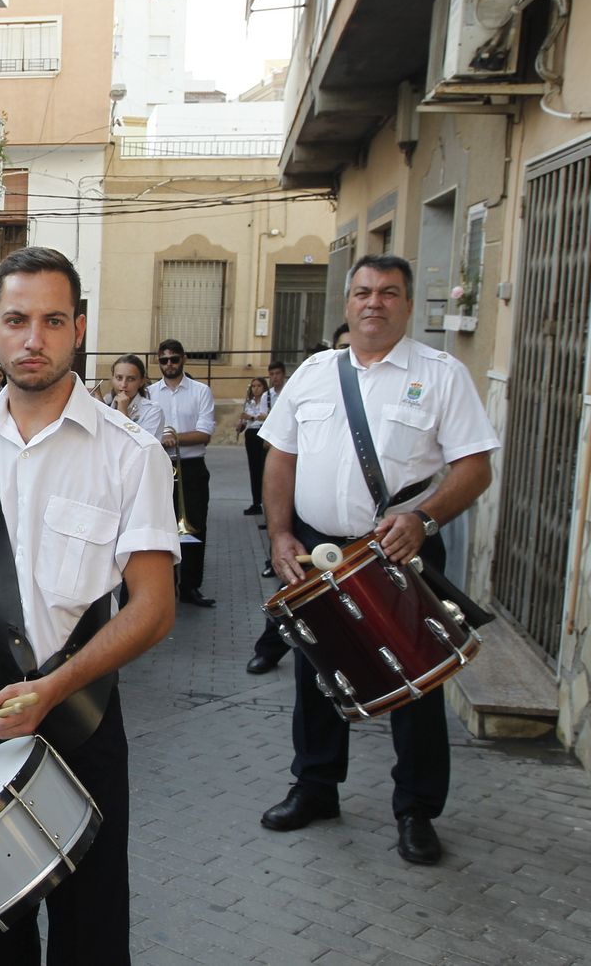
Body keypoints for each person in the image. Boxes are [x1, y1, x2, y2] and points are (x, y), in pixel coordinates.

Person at [0, 247, 177, 965]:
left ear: (79, 328)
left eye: (53, 320)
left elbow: (154, 608)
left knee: (89, 929)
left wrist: (51, 688)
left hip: (78, 711)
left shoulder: (130, 454)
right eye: (17, 319)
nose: (34, 338)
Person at [257, 254, 498, 866]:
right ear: (348, 302)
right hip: (318, 549)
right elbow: (280, 456)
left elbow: (474, 467)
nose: (374, 303)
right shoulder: (314, 372)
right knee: (318, 676)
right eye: (363, 291)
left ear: (408, 304)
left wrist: (423, 518)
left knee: (416, 680)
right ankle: (315, 788)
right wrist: (280, 535)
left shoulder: (441, 374)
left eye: (389, 293)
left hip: (400, 546)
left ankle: (416, 810)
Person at [151, 339, 217, 607]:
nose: (169, 364)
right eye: (163, 360)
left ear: (184, 359)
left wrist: (173, 437)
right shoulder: (150, 393)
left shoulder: (201, 391)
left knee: (195, 526)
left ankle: (190, 587)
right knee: (162, 529)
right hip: (160, 466)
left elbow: (205, 434)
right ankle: (165, 586)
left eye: (174, 359)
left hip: (191, 467)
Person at [100, 354, 164, 441]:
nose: (123, 385)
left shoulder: (152, 410)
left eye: (131, 379)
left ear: (141, 381)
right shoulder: (107, 404)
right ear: (113, 379)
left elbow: (142, 446)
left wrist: (123, 412)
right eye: (119, 378)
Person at [238, 376, 271, 515]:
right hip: (251, 435)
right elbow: (245, 423)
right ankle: (256, 502)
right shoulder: (249, 403)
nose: (255, 388)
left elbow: (265, 416)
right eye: (253, 386)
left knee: (263, 469)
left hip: (261, 433)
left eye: (258, 386)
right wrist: (241, 424)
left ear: (264, 387)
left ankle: (266, 503)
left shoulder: (267, 400)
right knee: (254, 470)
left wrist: (250, 417)